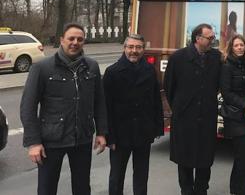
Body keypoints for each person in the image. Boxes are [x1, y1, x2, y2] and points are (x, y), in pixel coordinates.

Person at [20, 23, 107, 195]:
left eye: (80, 39)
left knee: (82, 187)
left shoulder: (92, 67)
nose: (75, 42)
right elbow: (28, 107)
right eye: (71, 38)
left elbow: (99, 102)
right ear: (62, 40)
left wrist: (102, 132)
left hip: (81, 138)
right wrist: (33, 142)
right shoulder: (42, 68)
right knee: (47, 188)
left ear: (84, 42)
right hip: (51, 140)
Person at [164, 23, 222, 195]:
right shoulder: (178, 57)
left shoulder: (216, 57)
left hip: (207, 116)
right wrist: (181, 106)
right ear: (198, 38)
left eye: (213, 37)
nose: (213, 40)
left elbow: (218, 84)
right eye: (210, 37)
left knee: (205, 159)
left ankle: (201, 190)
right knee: (185, 159)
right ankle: (186, 190)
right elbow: (169, 87)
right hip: (184, 117)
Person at [103, 34, 164, 195]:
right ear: (124, 48)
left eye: (138, 47)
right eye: (130, 47)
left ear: (143, 50)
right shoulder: (112, 72)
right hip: (120, 135)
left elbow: (155, 101)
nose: (134, 51)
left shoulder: (150, 70)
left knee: (141, 176)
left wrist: (158, 127)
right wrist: (109, 136)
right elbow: (106, 108)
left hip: (143, 132)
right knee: (116, 177)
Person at [220, 34, 245, 195]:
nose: (240, 48)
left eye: (242, 45)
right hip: (235, 116)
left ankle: (235, 189)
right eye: (236, 46)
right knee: (244, 155)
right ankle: (244, 191)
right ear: (231, 48)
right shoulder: (227, 66)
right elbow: (226, 93)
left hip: (243, 116)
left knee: (241, 156)